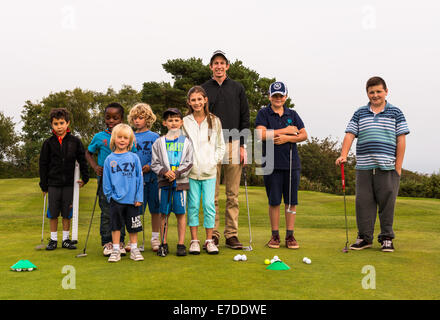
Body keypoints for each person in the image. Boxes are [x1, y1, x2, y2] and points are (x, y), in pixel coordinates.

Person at [335, 76, 410, 252]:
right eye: (371, 92)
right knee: (363, 203)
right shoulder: (360, 112)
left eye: (378, 91)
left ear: (386, 92)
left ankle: (386, 238)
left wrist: (398, 167)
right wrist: (343, 155)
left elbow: (401, 140)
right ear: (367, 93)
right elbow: (349, 134)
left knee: (387, 204)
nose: (375, 95)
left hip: (387, 167)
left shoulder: (396, 112)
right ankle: (364, 238)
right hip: (364, 167)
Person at [201, 50, 250, 249]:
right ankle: (212, 234)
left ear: (227, 66)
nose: (219, 66)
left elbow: (245, 117)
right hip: (210, 144)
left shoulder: (237, 88)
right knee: (211, 194)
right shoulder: (204, 89)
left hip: (233, 144)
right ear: (211, 67)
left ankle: (231, 235)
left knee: (232, 194)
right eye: (215, 63)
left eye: (222, 63)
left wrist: (243, 146)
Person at [255, 82, 308, 249]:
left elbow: (303, 135)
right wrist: (285, 130)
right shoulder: (264, 113)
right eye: (275, 96)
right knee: (274, 201)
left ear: (285, 97)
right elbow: (261, 134)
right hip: (271, 163)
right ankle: (275, 235)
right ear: (270, 97)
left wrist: (288, 138)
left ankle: (290, 236)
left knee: (291, 202)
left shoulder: (293, 114)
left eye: (281, 95)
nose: (278, 98)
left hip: (291, 163)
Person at [85, 102, 136, 257]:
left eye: (115, 118)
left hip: (123, 180)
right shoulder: (99, 137)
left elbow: (132, 156)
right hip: (104, 180)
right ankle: (107, 242)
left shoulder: (126, 135)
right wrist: (95, 167)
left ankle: (119, 242)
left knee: (121, 211)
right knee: (107, 211)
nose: (111, 121)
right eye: (108, 117)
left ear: (122, 119)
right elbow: (88, 153)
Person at [183, 86, 225, 255]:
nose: (197, 103)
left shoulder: (215, 121)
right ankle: (194, 240)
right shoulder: (185, 121)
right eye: (193, 100)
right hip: (191, 173)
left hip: (209, 172)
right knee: (192, 206)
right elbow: (180, 145)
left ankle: (209, 240)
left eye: (199, 99)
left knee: (209, 205)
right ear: (189, 102)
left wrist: (212, 162)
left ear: (205, 100)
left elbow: (220, 146)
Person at [39, 108, 89, 250]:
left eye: (62, 123)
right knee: (53, 212)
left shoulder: (75, 141)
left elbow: (82, 160)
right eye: (55, 123)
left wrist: (85, 178)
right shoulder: (48, 143)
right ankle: (53, 239)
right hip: (53, 183)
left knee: (67, 212)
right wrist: (43, 185)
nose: (59, 126)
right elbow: (43, 164)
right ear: (51, 125)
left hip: (69, 183)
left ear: (68, 123)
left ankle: (66, 239)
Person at [151, 108, 193, 257]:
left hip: (180, 184)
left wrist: (176, 173)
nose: (173, 123)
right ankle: (163, 243)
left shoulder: (186, 142)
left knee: (181, 214)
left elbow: (189, 163)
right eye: (170, 120)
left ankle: (181, 244)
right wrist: (165, 172)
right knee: (164, 214)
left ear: (181, 122)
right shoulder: (158, 142)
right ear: (164, 123)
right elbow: (154, 163)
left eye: (176, 120)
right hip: (164, 183)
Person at [103, 124, 144, 262]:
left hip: (133, 200)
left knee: (133, 227)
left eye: (125, 138)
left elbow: (139, 178)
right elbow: (106, 181)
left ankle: (134, 249)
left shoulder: (134, 158)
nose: (122, 140)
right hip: (116, 200)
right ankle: (115, 250)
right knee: (115, 227)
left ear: (130, 141)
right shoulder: (109, 159)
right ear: (114, 139)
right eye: (119, 137)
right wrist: (110, 196)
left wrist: (139, 197)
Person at [128, 103, 161, 252]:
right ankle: (133, 239)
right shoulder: (129, 135)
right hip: (135, 180)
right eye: (134, 118)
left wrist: (150, 165)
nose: (137, 121)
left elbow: (159, 157)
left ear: (147, 119)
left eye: (140, 118)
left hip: (153, 179)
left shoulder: (155, 136)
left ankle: (155, 238)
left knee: (155, 209)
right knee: (136, 211)